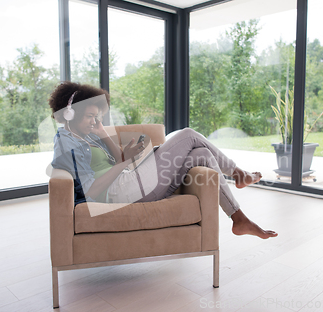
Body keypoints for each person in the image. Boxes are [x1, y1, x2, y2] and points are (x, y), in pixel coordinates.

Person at [49, 82, 277, 239]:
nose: (94, 121)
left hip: (129, 182)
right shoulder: (66, 141)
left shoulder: (88, 134)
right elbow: (92, 188)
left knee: (203, 155)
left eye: (97, 117)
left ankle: (238, 218)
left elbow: (118, 159)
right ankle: (238, 174)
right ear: (71, 114)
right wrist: (123, 164)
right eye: (90, 116)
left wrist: (103, 134)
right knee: (187, 134)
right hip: (119, 193)